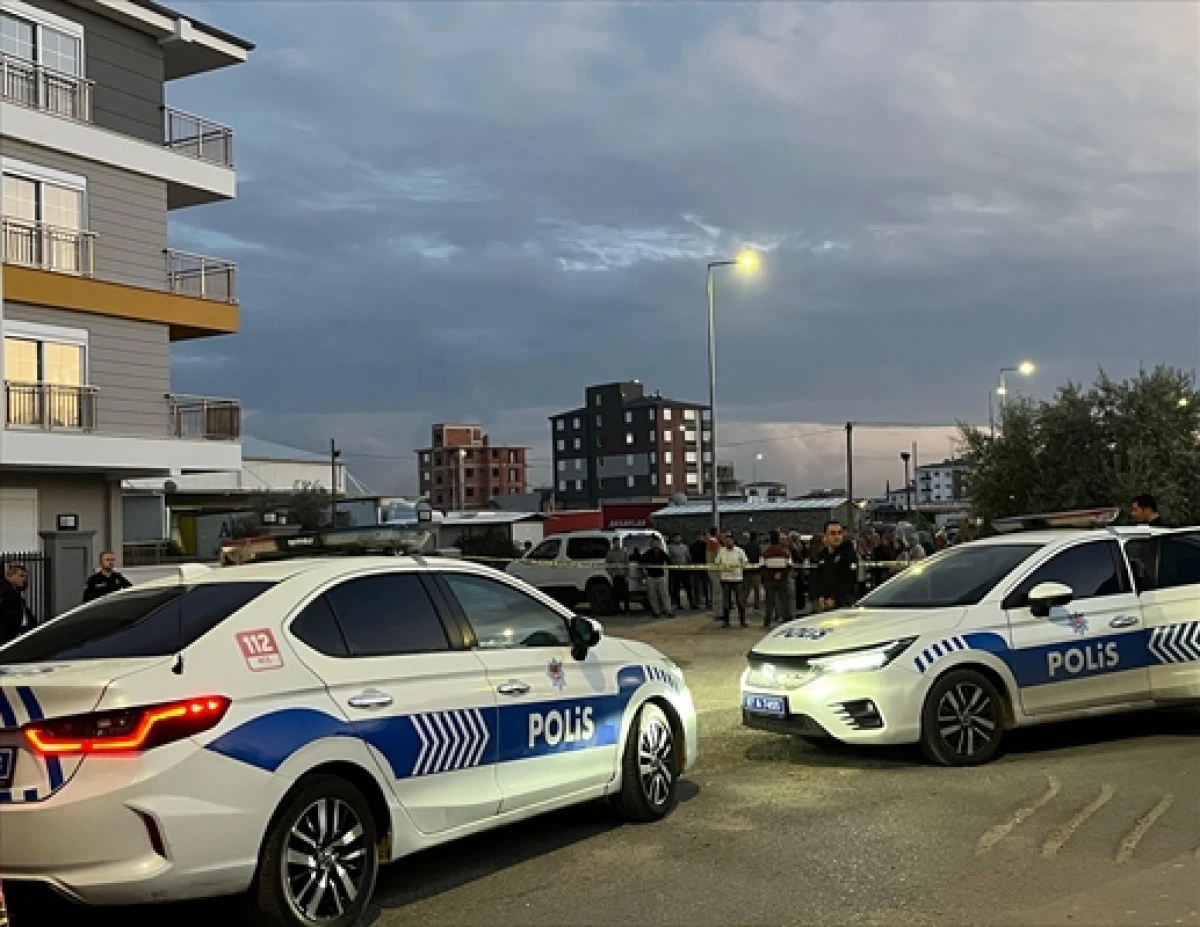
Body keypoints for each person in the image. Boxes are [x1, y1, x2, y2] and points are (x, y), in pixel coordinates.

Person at [810, 520, 858, 612]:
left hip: (843, 603)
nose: (837, 537)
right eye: (832, 533)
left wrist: (834, 598)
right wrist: (819, 596)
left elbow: (848, 580)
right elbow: (817, 577)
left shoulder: (848, 554)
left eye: (839, 533)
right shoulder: (823, 555)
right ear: (825, 536)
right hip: (824, 604)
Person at [714, 533, 749, 628]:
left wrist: (738, 566)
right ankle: (726, 622)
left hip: (737, 578)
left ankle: (742, 621)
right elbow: (717, 562)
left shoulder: (739, 551)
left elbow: (745, 561)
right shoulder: (721, 551)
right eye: (727, 541)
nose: (728, 542)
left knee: (740, 601)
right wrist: (723, 566)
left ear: (733, 541)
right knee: (726, 601)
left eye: (730, 541)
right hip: (725, 579)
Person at [761, 530, 793, 628]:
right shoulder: (784, 552)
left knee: (769, 602)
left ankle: (767, 621)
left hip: (769, 580)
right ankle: (787, 619)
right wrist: (781, 574)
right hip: (782, 580)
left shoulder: (766, 553)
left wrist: (770, 575)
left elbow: (762, 567)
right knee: (784, 600)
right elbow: (789, 565)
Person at [0, 564, 36, 647]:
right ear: (10, 576)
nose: (24, 579)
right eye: (21, 576)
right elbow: (10, 616)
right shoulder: (7, 593)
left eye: (25, 576)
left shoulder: (15, 593)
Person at [638, 536, 673, 618]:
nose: (656, 544)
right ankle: (656, 612)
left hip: (661, 576)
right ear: (651, 544)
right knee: (652, 596)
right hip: (650, 577)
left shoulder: (662, 553)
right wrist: (643, 572)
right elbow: (640, 563)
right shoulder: (647, 554)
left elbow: (669, 562)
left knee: (664, 595)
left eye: (657, 543)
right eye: (654, 543)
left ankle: (669, 611)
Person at [605, 538, 631, 614]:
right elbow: (607, 565)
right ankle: (617, 609)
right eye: (616, 542)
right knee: (616, 594)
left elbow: (627, 564)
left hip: (623, 576)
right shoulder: (610, 553)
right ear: (613, 543)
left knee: (625, 594)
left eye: (618, 542)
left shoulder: (623, 552)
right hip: (616, 576)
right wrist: (612, 574)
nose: (617, 544)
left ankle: (627, 609)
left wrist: (627, 575)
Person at [667, 534, 691, 611]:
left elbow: (688, 557)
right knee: (676, 587)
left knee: (688, 586)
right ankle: (677, 603)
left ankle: (691, 602)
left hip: (684, 569)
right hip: (675, 570)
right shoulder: (670, 547)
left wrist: (689, 565)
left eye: (679, 537)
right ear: (673, 539)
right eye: (676, 538)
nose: (678, 539)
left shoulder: (685, 547)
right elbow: (668, 558)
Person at [688, 532, 712, 610]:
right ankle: (697, 602)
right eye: (698, 536)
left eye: (701, 536)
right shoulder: (692, 546)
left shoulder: (706, 545)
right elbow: (690, 557)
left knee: (706, 586)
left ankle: (708, 602)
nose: (700, 537)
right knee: (697, 587)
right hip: (696, 568)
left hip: (704, 568)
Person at [741, 531, 763, 612]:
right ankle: (756, 604)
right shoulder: (758, 547)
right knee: (757, 589)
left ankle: (742, 603)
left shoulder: (745, 547)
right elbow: (760, 558)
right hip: (756, 571)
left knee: (746, 589)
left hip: (747, 570)